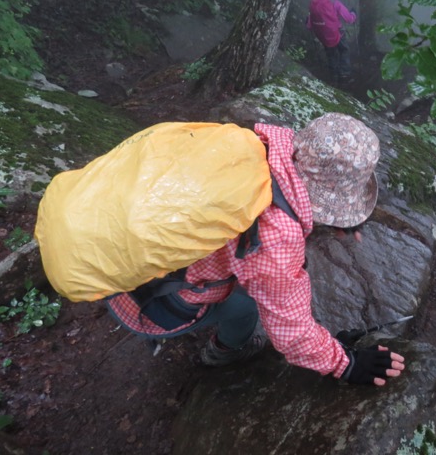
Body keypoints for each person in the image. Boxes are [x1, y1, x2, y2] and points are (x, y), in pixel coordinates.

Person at [106, 112, 405, 387]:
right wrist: (346, 363)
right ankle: (223, 353)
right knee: (247, 309)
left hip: (117, 257)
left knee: (251, 282)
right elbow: (292, 334)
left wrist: (330, 217)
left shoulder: (250, 146)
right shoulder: (277, 240)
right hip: (145, 302)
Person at [306, 0, 358, 83]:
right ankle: (344, 73)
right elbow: (349, 19)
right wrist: (353, 14)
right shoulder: (335, 3)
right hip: (336, 34)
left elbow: (309, 25)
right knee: (344, 50)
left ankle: (333, 77)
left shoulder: (313, 4)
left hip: (323, 36)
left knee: (331, 55)